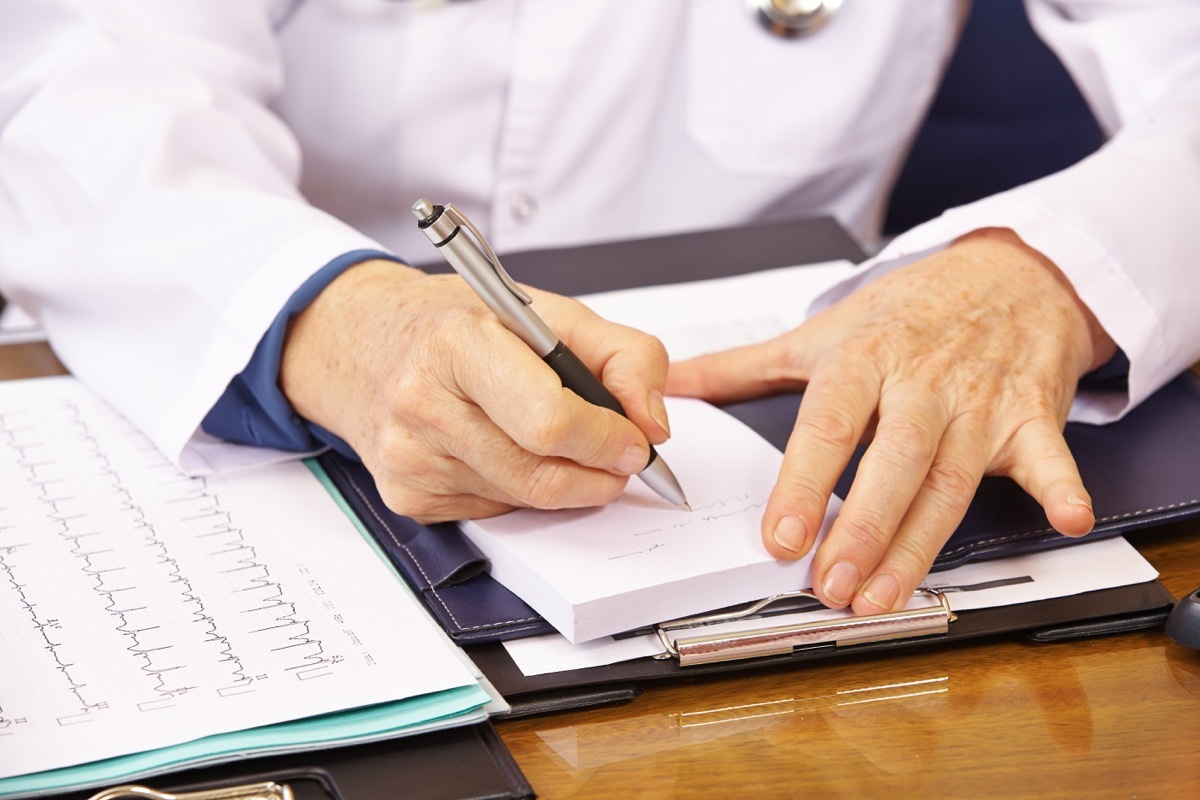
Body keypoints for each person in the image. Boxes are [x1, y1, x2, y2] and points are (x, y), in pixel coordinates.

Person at [1, 1, 1197, 617]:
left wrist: (1046, 271)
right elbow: (86, 91)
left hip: (800, 388)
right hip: (283, 391)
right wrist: (337, 322)